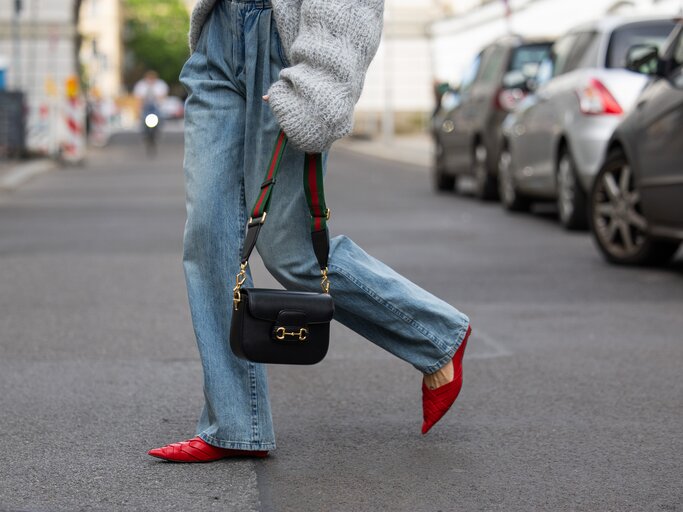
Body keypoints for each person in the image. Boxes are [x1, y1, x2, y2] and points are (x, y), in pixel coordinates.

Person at [147, 0, 472, 463]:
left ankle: (436, 336)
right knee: (207, 236)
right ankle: (234, 424)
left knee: (291, 253)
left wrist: (324, 71)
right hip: (216, 36)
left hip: (282, 36)